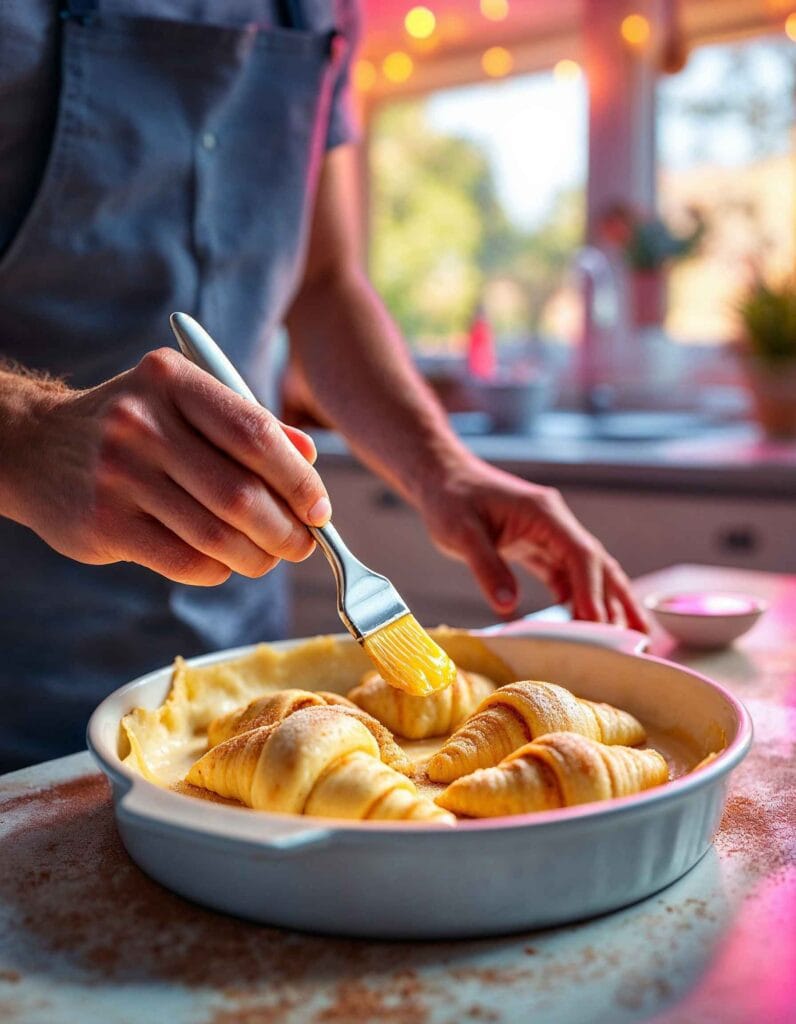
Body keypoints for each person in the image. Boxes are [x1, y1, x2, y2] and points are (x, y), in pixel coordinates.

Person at [0, 0, 645, 773]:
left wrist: (441, 466)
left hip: (238, 662)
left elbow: (327, 284)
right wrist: (28, 431)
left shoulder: (321, 10)